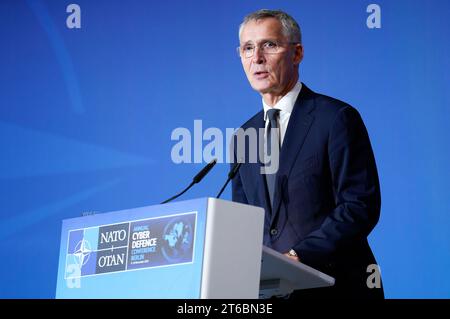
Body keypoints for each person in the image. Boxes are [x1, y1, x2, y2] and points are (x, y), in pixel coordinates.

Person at [231, 9, 384, 299]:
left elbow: (359, 206)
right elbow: (244, 223)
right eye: (248, 48)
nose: (257, 58)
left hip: (335, 287)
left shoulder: (336, 118)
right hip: (270, 295)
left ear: (297, 53)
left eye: (269, 45)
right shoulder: (243, 136)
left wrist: (299, 255)